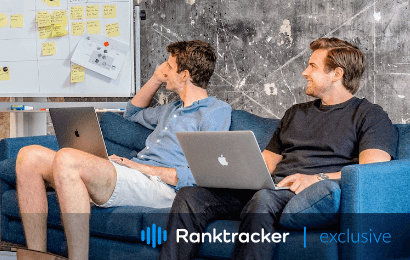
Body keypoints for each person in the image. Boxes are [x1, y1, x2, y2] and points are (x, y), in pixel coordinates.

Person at [158, 37, 398, 260]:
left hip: (304, 193)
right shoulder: (295, 113)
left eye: (312, 66)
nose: (305, 72)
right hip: (271, 188)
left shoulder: (369, 115)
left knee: (263, 199)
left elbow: (371, 172)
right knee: (190, 196)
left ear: (337, 73)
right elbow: (266, 163)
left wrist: (317, 178)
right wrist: (231, 174)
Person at [15, 40, 231, 260]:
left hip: (162, 187)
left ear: (184, 75)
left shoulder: (214, 112)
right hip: (135, 175)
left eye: (168, 65)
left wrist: (145, 169)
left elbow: (206, 173)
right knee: (29, 156)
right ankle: (36, 255)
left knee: (67, 159)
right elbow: (132, 113)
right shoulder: (171, 109)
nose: (163, 69)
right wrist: (156, 78)